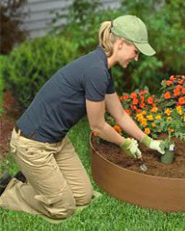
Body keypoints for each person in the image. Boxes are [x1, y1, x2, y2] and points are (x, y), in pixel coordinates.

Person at [0, 15, 166, 220]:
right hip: (32, 144)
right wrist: (125, 144)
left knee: (83, 196)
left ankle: (37, 181)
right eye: (136, 51)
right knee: (63, 208)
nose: (136, 57)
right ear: (122, 44)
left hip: (56, 141)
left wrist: (150, 142)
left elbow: (120, 115)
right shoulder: (96, 70)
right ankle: (8, 189)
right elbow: (97, 125)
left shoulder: (102, 69)